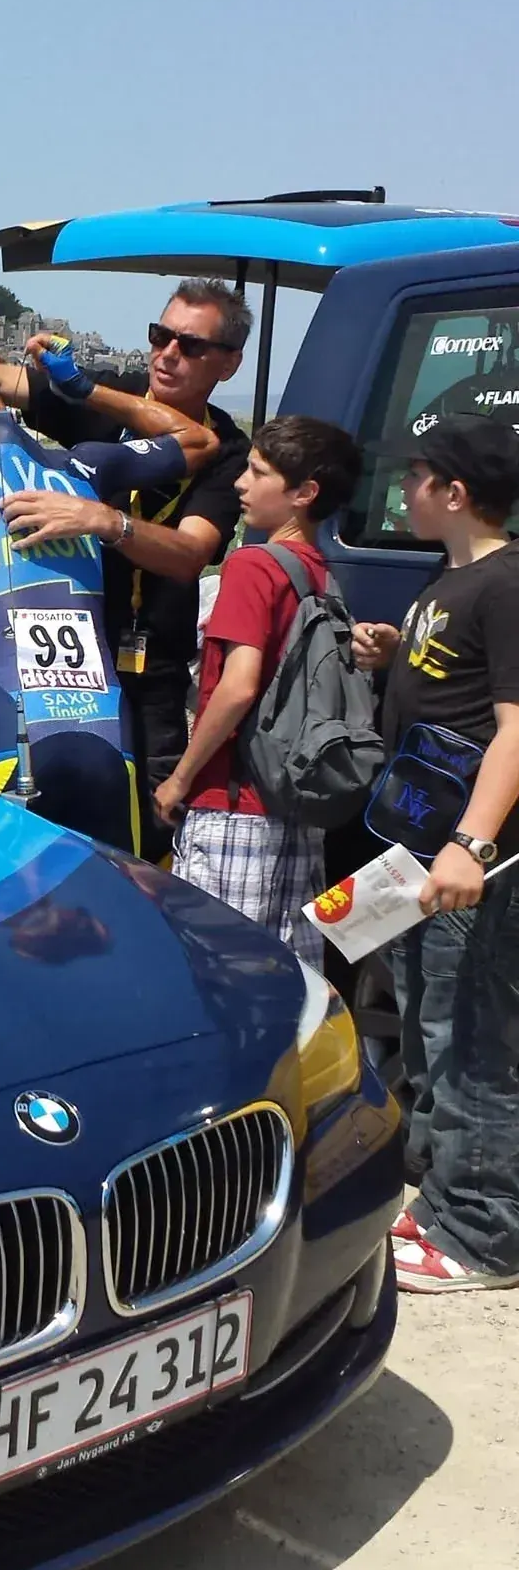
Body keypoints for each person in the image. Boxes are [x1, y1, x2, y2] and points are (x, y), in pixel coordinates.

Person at [0, 343, 216, 847]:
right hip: (104, 728)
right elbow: (199, 439)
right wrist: (82, 389)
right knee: (108, 889)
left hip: (1, 725)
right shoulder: (80, 465)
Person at [0, 280, 253, 856]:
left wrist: (106, 521)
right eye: (160, 336)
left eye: (190, 345)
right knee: (57, 821)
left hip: (152, 671)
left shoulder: (230, 450)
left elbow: (189, 554)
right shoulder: (106, 396)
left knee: (153, 834)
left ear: (229, 365)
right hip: (66, 661)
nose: (167, 354)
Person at [352, 417, 519, 1293]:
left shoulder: (506, 583)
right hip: (419, 849)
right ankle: (438, 1190)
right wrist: (393, 654)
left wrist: (471, 844)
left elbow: (517, 730)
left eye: (413, 477)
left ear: (454, 492)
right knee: (424, 1021)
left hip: (471, 864)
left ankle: (483, 1234)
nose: (401, 491)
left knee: (472, 1041)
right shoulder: (447, 578)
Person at [152, 418, 363, 972]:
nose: (240, 484)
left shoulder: (252, 565)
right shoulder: (318, 574)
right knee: (289, 976)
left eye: (258, 472)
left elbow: (239, 685)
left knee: (215, 975)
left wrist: (180, 779)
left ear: (304, 493)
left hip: (232, 805)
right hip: (293, 806)